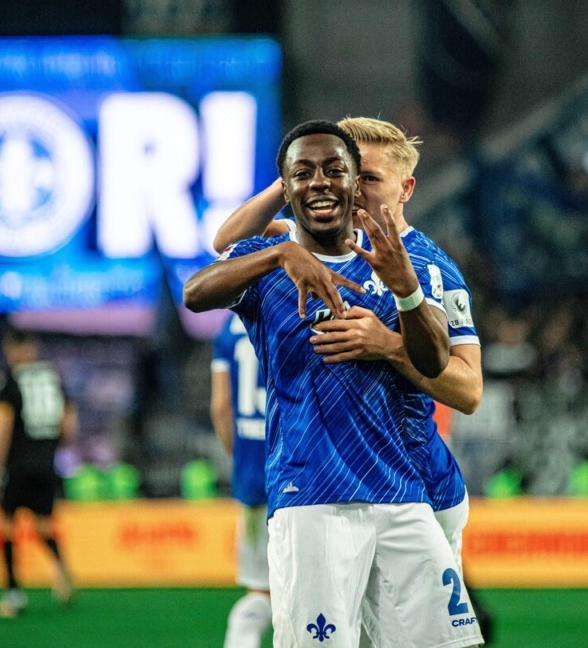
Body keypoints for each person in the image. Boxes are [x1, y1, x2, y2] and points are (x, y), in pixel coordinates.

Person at [184, 119, 482, 648]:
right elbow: (211, 264)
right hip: (312, 494)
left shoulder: (420, 264)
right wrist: (283, 244)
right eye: (306, 173)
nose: (342, 187)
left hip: (412, 483)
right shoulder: (277, 254)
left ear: (404, 189)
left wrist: (390, 330)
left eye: (352, 174)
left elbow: (458, 381)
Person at [0, 328, 78, 619]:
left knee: (8, 525)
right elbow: (69, 424)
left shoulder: (9, 380)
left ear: (11, 348)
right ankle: (60, 567)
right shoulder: (52, 376)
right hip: (46, 463)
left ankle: (13, 594)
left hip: (17, 463)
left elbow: (1, 427)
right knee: (44, 525)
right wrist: (51, 447)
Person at [210, 313, 272, 647]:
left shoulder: (228, 329)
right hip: (301, 474)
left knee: (260, 589)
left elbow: (221, 407)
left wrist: (241, 458)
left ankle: (240, 639)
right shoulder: (291, 309)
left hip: (252, 476)